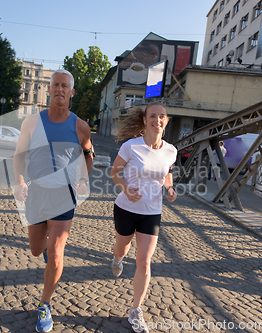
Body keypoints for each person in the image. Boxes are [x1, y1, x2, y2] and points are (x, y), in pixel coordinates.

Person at [13, 69, 94, 332]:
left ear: (72, 93)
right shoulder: (31, 123)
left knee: (57, 254)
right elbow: (18, 156)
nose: (60, 90)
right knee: (37, 250)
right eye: (55, 85)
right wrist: (20, 181)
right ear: (48, 90)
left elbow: (89, 154)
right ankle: (49, 251)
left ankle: (45, 304)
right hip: (37, 193)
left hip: (63, 195)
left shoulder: (81, 126)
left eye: (65, 86)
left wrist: (83, 179)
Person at [110, 103, 177, 333]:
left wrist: (169, 189)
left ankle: (135, 310)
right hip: (126, 209)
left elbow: (167, 173)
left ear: (166, 121)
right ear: (145, 120)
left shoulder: (171, 151)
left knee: (144, 261)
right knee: (122, 249)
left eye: (161, 117)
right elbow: (114, 172)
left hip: (151, 212)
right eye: (152, 116)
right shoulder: (131, 146)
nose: (157, 120)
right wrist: (126, 189)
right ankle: (117, 259)